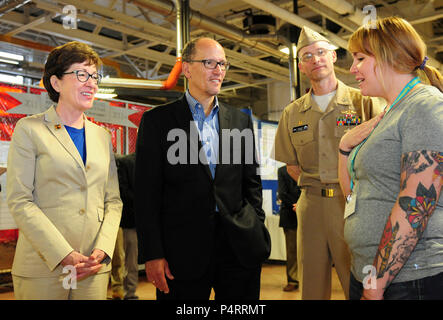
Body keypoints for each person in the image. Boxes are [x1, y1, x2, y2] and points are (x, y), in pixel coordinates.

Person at [134, 37, 270, 300]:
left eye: (222, 64)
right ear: (186, 69)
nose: (218, 70)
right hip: (180, 253)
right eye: (209, 63)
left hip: (238, 248)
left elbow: (250, 183)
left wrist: (256, 228)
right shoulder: (157, 121)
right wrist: (153, 253)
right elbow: (146, 194)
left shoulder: (239, 120)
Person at [6, 41, 122, 300]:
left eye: (94, 76)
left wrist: (103, 249)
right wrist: (62, 253)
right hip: (43, 269)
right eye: (81, 74)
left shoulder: (102, 137)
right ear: (56, 83)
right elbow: (20, 200)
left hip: (92, 270)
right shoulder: (30, 129)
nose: (91, 82)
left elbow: (113, 201)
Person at [338, 16, 443, 300]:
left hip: (408, 278)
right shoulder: (387, 114)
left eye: (359, 58)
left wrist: (376, 283)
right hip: (368, 271)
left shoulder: (424, 105)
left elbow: (416, 203)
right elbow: (353, 194)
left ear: (386, 56)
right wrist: (345, 147)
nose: (352, 69)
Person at [273, 26, 380, 300]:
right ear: (300, 66)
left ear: (333, 56)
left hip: (352, 203)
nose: (315, 59)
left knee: (356, 278)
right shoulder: (292, 113)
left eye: (321, 52)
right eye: (307, 56)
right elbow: (291, 165)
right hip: (311, 207)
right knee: (312, 281)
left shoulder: (362, 102)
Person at [115, 152, 139, 300]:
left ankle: (129, 292)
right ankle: (129, 293)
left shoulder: (156, 160)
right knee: (129, 259)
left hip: (150, 220)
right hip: (131, 220)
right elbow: (123, 191)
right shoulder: (126, 162)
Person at [277, 165, 301, 292]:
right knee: (292, 250)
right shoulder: (282, 170)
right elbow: (282, 193)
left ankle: (307, 278)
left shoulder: (306, 169)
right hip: (290, 215)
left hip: (308, 214)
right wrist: (297, 204)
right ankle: (292, 280)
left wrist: (302, 205)